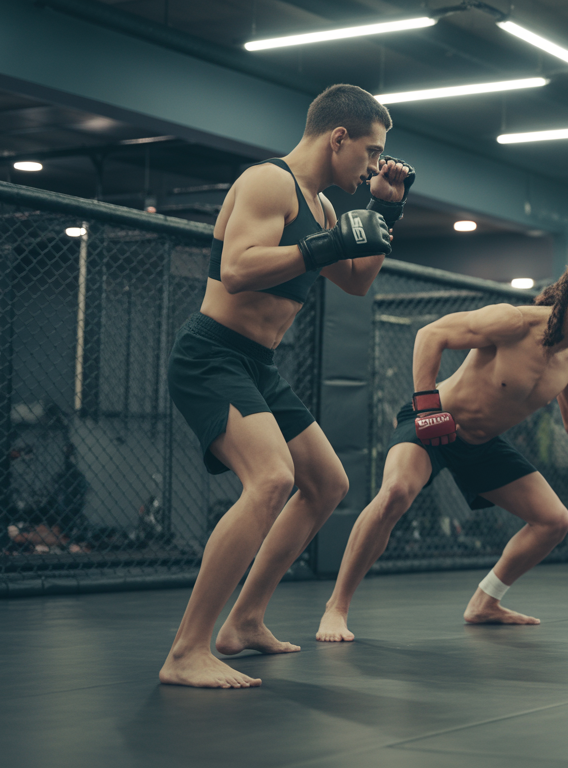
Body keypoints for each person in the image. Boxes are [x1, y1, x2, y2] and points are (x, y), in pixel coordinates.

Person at [160, 84, 413, 689]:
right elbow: (237, 268)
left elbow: (355, 282)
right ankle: (186, 650)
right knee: (272, 478)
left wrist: (384, 210)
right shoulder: (267, 182)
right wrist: (324, 244)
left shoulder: (323, 209)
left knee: (327, 483)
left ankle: (243, 622)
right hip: (212, 356)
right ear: (338, 137)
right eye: (371, 153)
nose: (374, 164)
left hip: (260, 366)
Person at [316, 259, 568, 639]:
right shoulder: (514, 322)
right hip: (435, 422)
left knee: (554, 521)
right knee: (395, 493)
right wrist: (426, 407)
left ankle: (485, 602)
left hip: (481, 442)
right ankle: (336, 608)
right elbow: (431, 334)